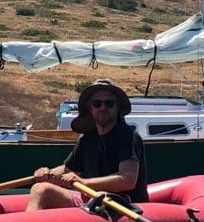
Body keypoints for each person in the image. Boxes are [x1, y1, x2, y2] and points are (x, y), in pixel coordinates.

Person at [27, 79, 148, 211]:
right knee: (40, 188)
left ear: (117, 107)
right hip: (93, 199)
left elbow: (128, 179)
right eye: (97, 103)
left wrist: (84, 183)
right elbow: (68, 169)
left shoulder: (128, 136)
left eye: (109, 103)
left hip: (122, 203)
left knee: (43, 190)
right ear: (90, 108)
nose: (103, 108)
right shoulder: (87, 139)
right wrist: (46, 174)